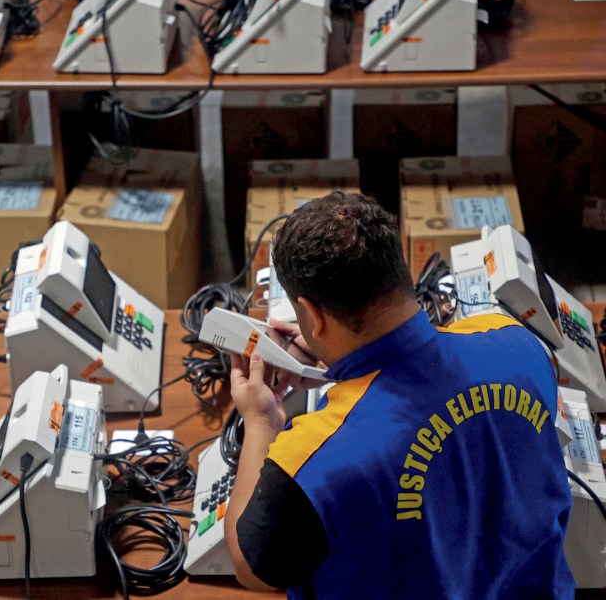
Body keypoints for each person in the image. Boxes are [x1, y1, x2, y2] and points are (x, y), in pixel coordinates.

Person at [224, 191, 573, 599]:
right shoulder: (519, 344)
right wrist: (346, 364)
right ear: (398, 268)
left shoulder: (313, 464)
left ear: (313, 316)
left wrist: (262, 420)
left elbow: (253, 566)